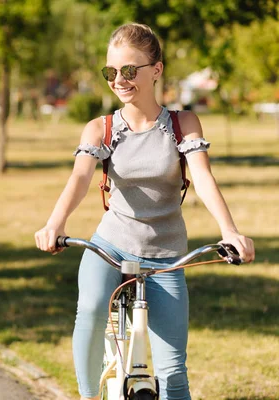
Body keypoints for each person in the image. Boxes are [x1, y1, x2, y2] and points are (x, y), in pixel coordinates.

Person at [34, 23, 255, 400]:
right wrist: (55, 224)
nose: (119, 80)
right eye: (111, 72)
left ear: (156, 70)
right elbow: (80, 179)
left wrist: (229, 231)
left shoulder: (182, 125)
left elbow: (202, 177)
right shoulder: (100, 129)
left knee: (173, 375)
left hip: (167, 257)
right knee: (89, 310)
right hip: (111, 247)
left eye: (130, 71)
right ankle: (87, 396)